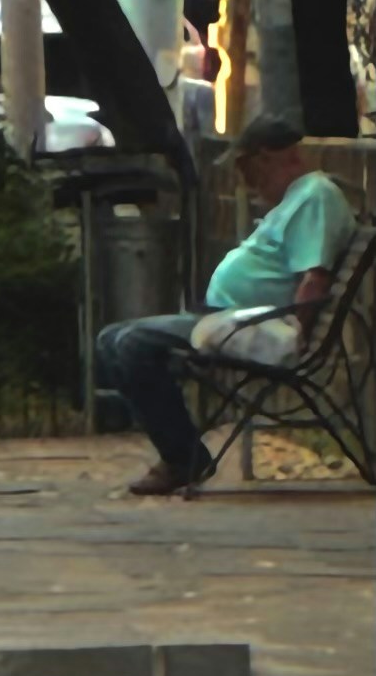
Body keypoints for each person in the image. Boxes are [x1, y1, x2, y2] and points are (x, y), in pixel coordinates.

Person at [95, 114, 353, 496]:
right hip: (229, 320)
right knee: (111, 339)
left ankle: (183, 459)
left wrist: (297, 336)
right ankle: (181, 453)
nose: (246, 182)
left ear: (272, 158)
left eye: (247, 169)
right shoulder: (299, 197)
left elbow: (314, 277)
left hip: (248, 324)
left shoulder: (315, 195)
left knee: (132, 344)